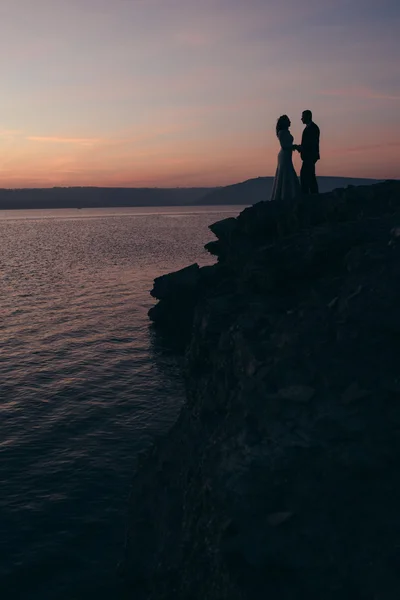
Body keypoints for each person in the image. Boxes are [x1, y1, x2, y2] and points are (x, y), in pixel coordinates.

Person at [270, 114, 301, 202]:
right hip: (284, 155)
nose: (290, 122)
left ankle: (289, 194)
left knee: (288, 171)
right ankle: (285, 195)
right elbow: (284, 146)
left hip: (287, 154)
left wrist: (294, 147)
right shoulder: (282, 133)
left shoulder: (286, 132)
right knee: (286, 171)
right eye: (288, 120)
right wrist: (295, 147)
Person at [294, 110, 320, 194]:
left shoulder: (313, 128)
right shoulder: (310, 127)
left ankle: (308, 196)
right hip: (309, 156)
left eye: (303, 116)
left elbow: (311, 143)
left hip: (310, 156)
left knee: (305, 176)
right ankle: (313, 195)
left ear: (308, 116)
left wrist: (301, 148)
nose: (301, 119)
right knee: (310, 176)